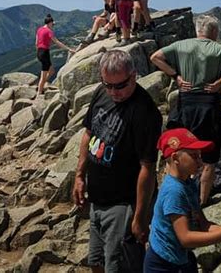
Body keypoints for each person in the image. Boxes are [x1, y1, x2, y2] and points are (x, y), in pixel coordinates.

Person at [72, 50, 162, 273]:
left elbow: (147, 168)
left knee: (120, 266)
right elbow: (88, 133)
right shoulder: (101, 93)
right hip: (97, 199)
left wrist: (139, 217)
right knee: (96, 261)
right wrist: (79, 176)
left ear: (133, 76)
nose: (114, 92)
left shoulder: (145, 112)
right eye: (107, 85)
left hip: (123, 204)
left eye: (120, 86)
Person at [150, 15, 221, 205]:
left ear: (197, 30)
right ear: (215, 32)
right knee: (210, 158)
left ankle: (176, 197)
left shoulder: (181, 45)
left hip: (185, 104)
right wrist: (219, 82)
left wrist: (176, 76)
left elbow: (155, 57)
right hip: (209, 105)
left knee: (180, 150)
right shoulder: (220, 50)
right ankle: (201, 201)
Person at [144, 128, 221, 273]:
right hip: (163, 264)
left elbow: (204, 225)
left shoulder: (188, 184)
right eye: (194, 156)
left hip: (181, 258)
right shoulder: (174, 191)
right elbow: (186, 237)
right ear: (176, 158)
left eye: (199, 156)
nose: (200, 162)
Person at [35, 14, 75, 96]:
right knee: (43, 75)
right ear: (50, 23)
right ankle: (39, 92)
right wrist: (68, 49)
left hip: (39, 52)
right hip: (45, 53)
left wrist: (39, 53)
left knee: (52, 71)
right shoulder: (49, 31)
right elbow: (57, 42)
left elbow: (36, 43)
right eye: (53, 24)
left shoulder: (39, 29)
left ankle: (41, 85)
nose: (53, 26)